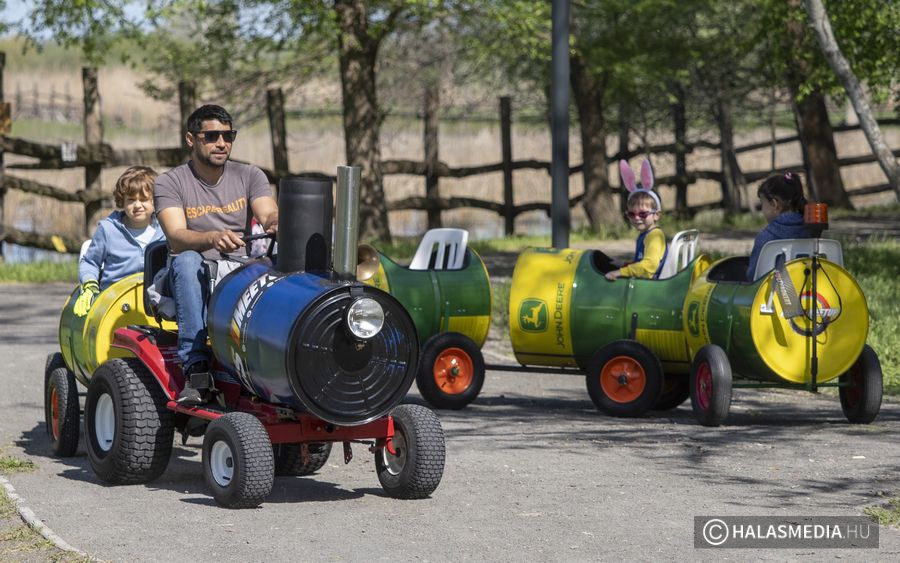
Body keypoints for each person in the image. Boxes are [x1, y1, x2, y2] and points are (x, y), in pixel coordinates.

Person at [154, 104, 278, 405]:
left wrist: (278, 225)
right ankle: (195, 367)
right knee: (186, 261)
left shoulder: (249, 175)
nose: (221, 143)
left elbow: (269, 213)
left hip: (236, 269)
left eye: (228, 135)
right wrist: (210, 237)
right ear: (191, 139)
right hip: (186, 272)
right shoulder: (170, 182)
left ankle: (274, 364)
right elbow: (176, 237)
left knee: (276, 269)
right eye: (211, 136)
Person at [74, 166, 165, 316]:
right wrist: (89, 285)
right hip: (114, 302)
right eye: (131, 200)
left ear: (155, 201)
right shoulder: (108, 229)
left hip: (154, 304)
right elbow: (90, 262)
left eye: (143, 200)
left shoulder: (165, 230)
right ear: (122, 201)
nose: (137, 205)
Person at [605, 159, 667, 281]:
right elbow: (641, 262)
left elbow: (648, 267)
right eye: (632, 214)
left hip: (648, 287)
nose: (637, 218)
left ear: (657, 215)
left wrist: (620, 272)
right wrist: (624, 264)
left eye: (643, 214)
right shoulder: (646, 234)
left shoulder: (654, 236)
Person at [745, 172, 811, 281]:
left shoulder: (766, 236)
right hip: (809, 293)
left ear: (774, 204)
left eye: (762, 203)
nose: (762, 209)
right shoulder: (811, 230)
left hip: (773, 296)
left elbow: (753, 276)